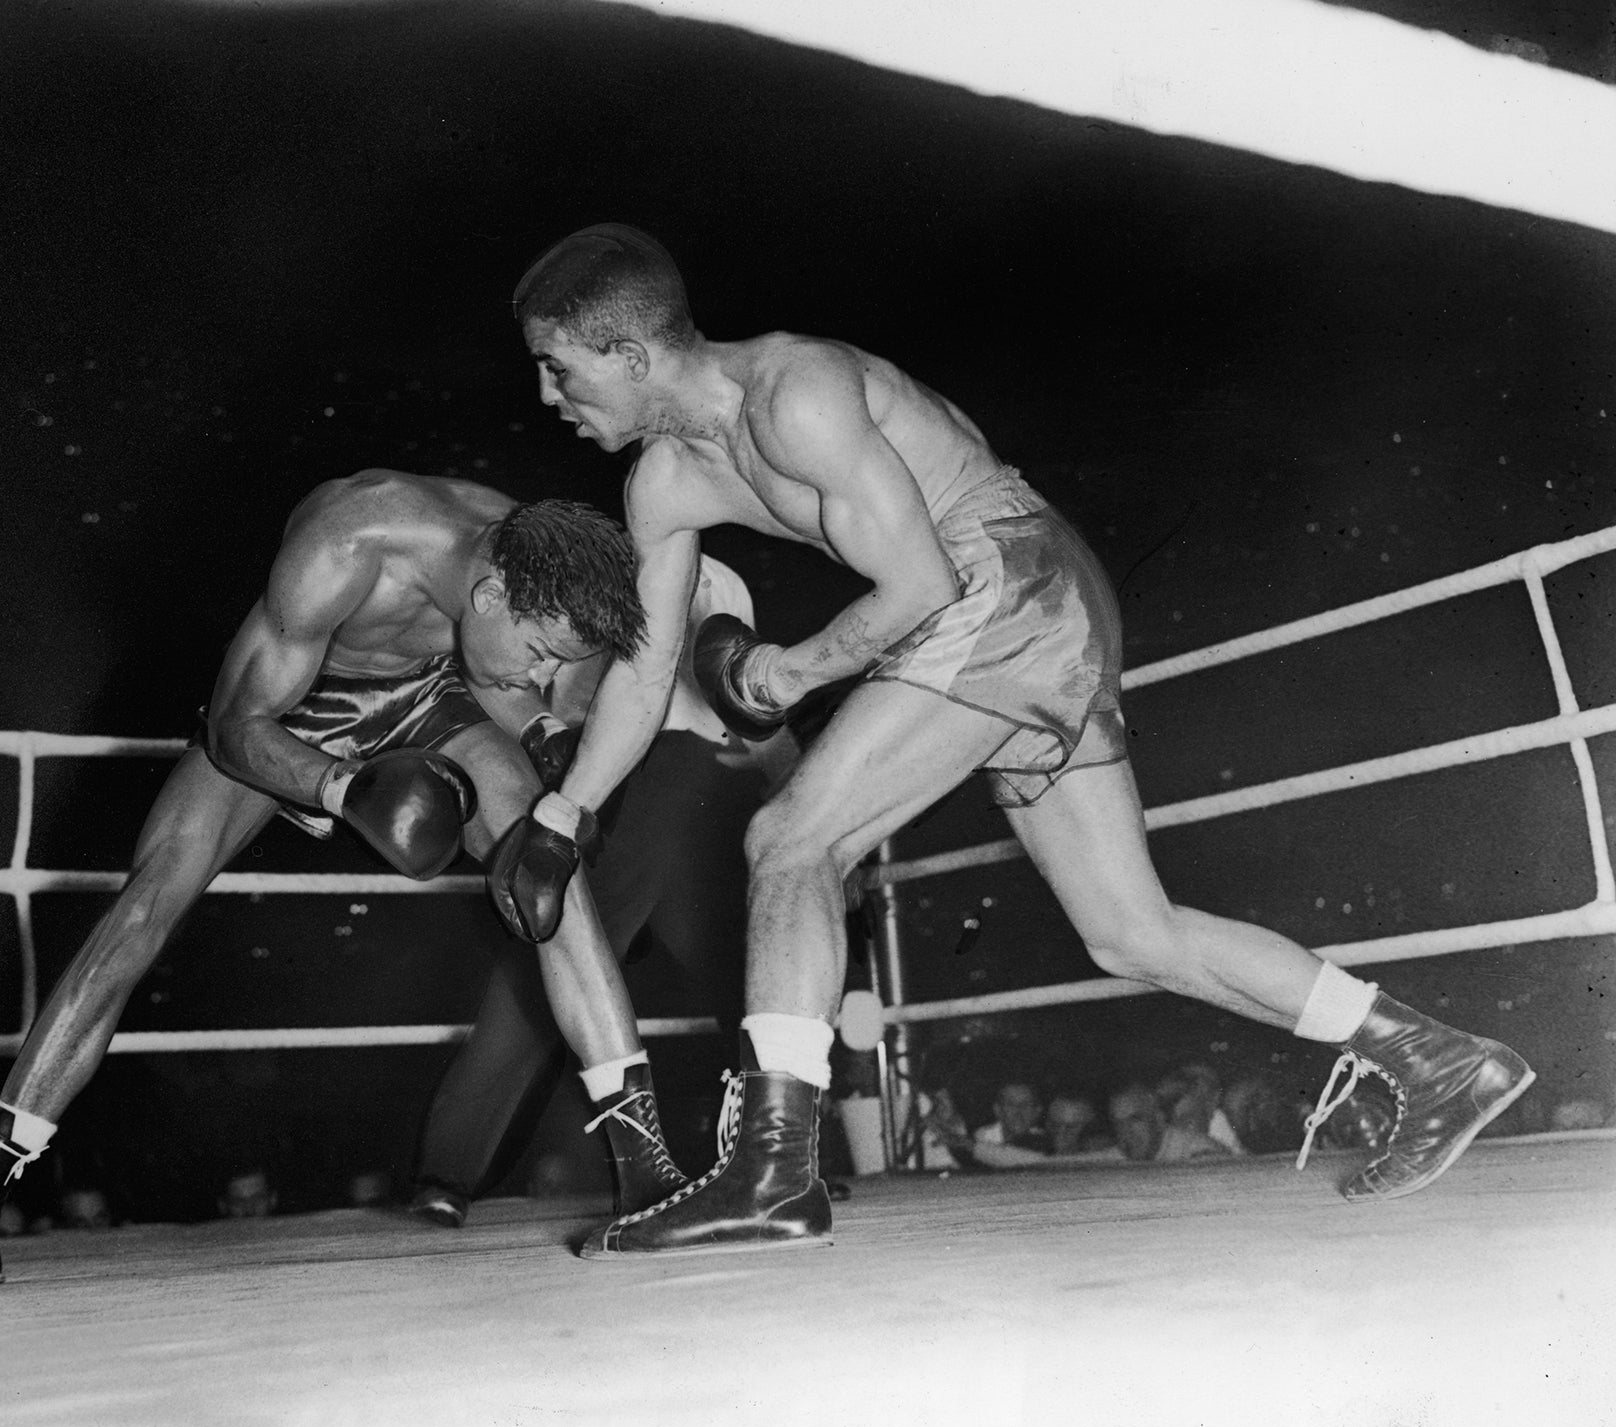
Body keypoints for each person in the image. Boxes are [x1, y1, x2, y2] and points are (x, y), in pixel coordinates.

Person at [498, 223, 1536, 1257]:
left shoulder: (795, 394)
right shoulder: (662, 487)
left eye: (560, 369)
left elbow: (921, 586)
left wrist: (791, 670)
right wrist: (561, 813)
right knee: (1131, 934)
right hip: (1013, 610)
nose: (550, 398)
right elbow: (642, 668)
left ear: (631, 356)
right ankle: (1437, 1058)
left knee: (791, 838)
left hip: (1005, 581)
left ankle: (771, 1176)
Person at [0, 472, 679, 1295]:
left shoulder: (545, 564)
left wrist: (546, 753)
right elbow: (233, 727)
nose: (538, 673)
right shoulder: (348, 543)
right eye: (537, 653)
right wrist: (347, 789)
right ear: (492, 594)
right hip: (284, 717)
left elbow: (536, 691)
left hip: (433, 697)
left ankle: (647, 1172)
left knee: (547, 870)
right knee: (142, 908)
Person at [408, 554, 794, 1226]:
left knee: (738, 973)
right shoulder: (601, 572)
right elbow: (543, 686)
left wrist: (793, 794)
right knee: (553, 965)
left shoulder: (719, 576)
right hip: (606, 778)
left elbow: (741, 700)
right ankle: (447, 1171)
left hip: (692, 784)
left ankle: (777, 1163)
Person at [969, 1081, 1050, 1169]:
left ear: (1037, 1111)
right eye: (1011, 1105)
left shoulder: (1047, 1140)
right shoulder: (981, 1138)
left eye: (1026, 1104)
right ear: (997, 1110)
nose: (1018, 1112)